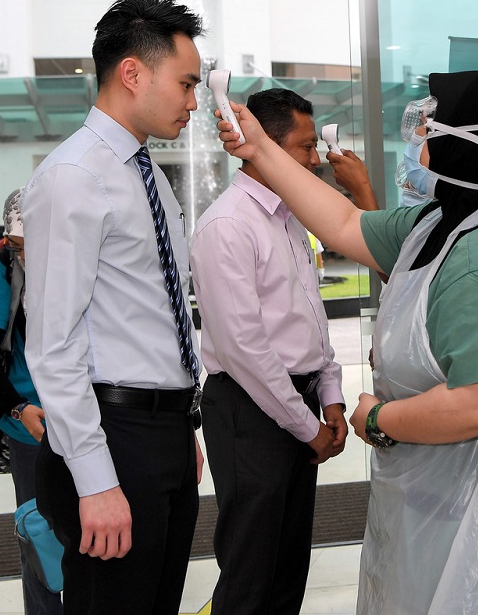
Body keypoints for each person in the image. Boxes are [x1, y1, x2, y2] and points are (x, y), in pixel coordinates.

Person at [215, 70, 478, 614]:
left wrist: (377, 421)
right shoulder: (435, 225)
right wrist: (261, 150)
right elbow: (344, 222)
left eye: (428, 131)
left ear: (459, 147)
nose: (417, 144)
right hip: (449, 494)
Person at [21, 0, 205, 614]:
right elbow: (52, 344)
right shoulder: (74, 175)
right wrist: (95, 480)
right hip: (112, 437)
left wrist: (182, 428)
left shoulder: (142, 173)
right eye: (185, 83)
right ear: (133, 73)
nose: (193, 101)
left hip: (162, 433)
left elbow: (151, 314)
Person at [190, 88, 349, 614]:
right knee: (250, 573)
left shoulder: (291, 216)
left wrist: (331, 400)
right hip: (250, 412)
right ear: (265, 146)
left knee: (287, 571)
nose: (314, 158)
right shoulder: (227, 224)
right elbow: (245, 350)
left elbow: (311, 319)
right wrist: (310, 429)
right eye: (305, 147)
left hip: (298, 405)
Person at [0, 189, 63, 615]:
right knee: (40, 536)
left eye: (29, 246)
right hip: (31, 425)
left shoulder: (80, 257)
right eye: (16, 245)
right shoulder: (3, 266)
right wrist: (17, 408)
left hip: (94, 416)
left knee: (96, 533)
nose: (22, 254)